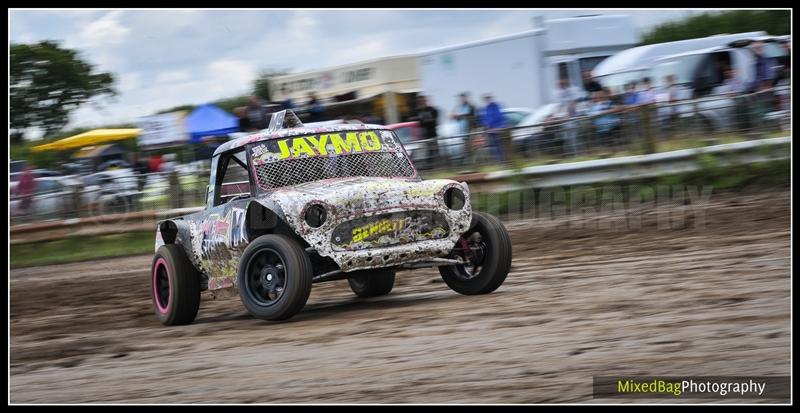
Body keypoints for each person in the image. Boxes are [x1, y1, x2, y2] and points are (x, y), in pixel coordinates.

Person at [554, 78, 583, 156]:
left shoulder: (570, 91)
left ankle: (577, 154)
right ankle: (572, 154)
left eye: (560, 84)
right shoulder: (560, 93)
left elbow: (572, 104)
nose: (559, 86)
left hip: (572, 119)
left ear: (564, 84)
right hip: (565, 120)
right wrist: (557, 115)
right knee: (568, 139)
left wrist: (567, 114)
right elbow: (559, 106)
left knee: (574, 138)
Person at [409, 95, 439, 168]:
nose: (422, 102)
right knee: (423, 152)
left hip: (431, 134)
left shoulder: (432, 110)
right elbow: (412, 120)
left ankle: (432, 166)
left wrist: (421, 120)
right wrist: (424, 120)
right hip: (421, 135)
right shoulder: (416, 111)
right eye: (420, 101)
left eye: (423, 100)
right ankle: (425, 166)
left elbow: (434, 121)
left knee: (433, 150)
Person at [479, 93, 506, 162]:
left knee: (500, 145)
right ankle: (499, 160)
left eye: (488, 98)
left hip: (497, 128)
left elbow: (499, 117)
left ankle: (503, 160)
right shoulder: (485, 108)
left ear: (491, 98)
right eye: (486, 99)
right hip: (490, 130)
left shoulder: (495, 106)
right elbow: (483, 118)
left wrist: (498, 126)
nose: (487, 100)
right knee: (495, 146)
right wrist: (485, 124)